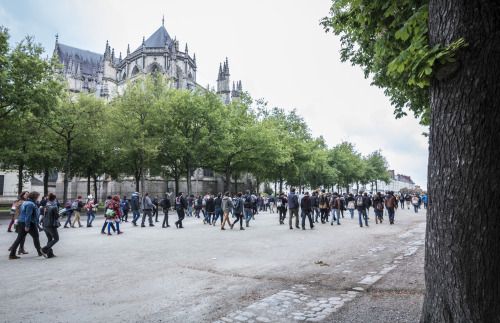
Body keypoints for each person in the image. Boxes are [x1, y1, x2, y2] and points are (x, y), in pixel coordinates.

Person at [8, 191, 43, 259]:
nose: (38, 198)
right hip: (29, 222)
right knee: (36, 237)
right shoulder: (30, 204)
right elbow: (28, 215)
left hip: (21, 221)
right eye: (37, 197)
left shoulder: (25, 202)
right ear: (35, 197)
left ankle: (12, 254)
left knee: (19, 238)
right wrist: (27, 226)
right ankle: (39, 251)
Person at [8, 191, 30, 255]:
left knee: (22, 235)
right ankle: (16, 247)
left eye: (28, 195)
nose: (27, 195)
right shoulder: (23, 202)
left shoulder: (18, 201)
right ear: (22, 194)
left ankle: (19, 248)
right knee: (22, 235)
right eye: (26, 194)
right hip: (20, 220)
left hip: (18, 219)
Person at [41, 193, 60, 258]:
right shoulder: (54, 207)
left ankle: (50, 254)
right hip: (51, 224)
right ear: (54, 199)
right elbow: (57, 216)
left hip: (44, 224)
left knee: (49, 238)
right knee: (56, 238)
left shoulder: (46, 205)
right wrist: (60, 213)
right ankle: (44, 249)